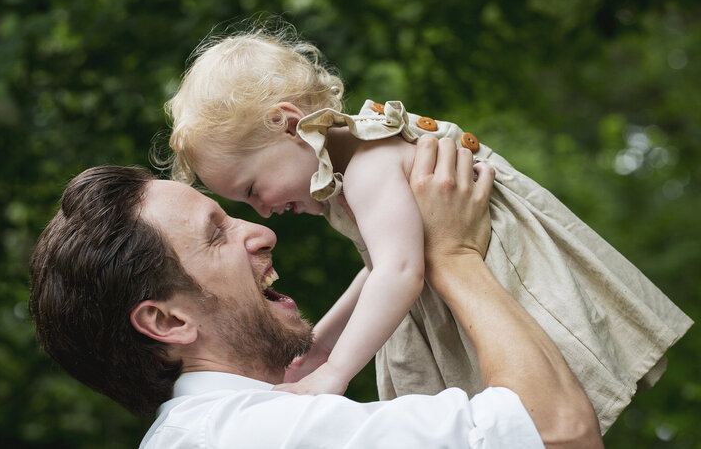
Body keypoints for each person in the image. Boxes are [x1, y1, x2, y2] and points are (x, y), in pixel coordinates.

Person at [164, 26, 693, 433]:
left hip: (513, 284)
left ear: (288, 123)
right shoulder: (352, 174)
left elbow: (400, 271)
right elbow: (380, 267)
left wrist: (334, 373)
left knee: (536, 414)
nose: (261, 210)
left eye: (253, 188)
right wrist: (319, 344)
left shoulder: (370, 166)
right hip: (474, 283)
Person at [29, 136, 602, 448]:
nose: (263, 231)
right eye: (217, 234)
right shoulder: (256, 436)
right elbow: (557, 432)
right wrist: (453, 255)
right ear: (168, 321)